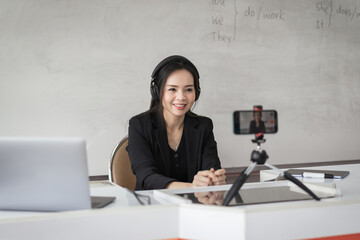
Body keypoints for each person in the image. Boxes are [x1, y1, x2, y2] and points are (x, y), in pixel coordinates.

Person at [127, 55, 226, 190]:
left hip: (194, 205)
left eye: (188, 89)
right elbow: (146, 177)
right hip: (152, 206)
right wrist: (192, 186)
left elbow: (211, 169)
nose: (181, 97)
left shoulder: (204, 126)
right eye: (172, 89)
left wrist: (213, 179)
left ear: (196, 93)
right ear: (157, 92)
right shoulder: (139, 125)